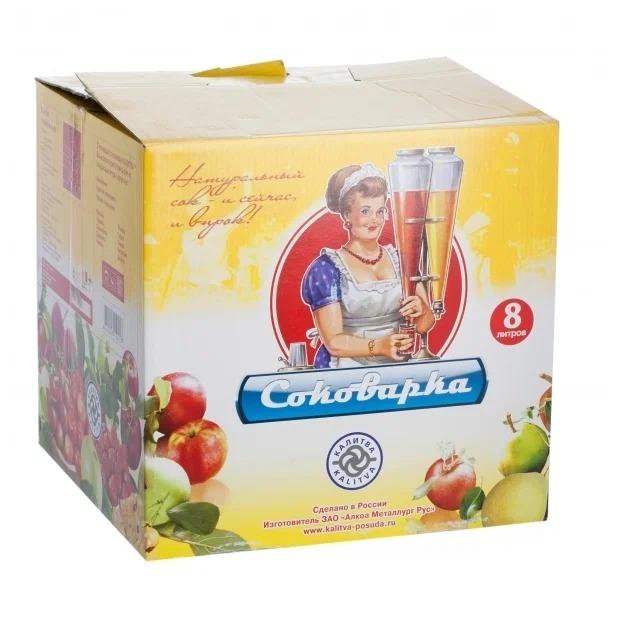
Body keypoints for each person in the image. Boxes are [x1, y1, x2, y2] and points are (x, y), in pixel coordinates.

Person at [302, 163, 434, 368]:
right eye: (365, 211)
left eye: (380, 211)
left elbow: (425, 325)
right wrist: (379, 346)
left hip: (399, 366)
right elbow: (334, 342)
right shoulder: (326, 268)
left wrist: (422, 311)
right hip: (345, 370)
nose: (375, 220)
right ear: (347, 215)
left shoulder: (402, 260)